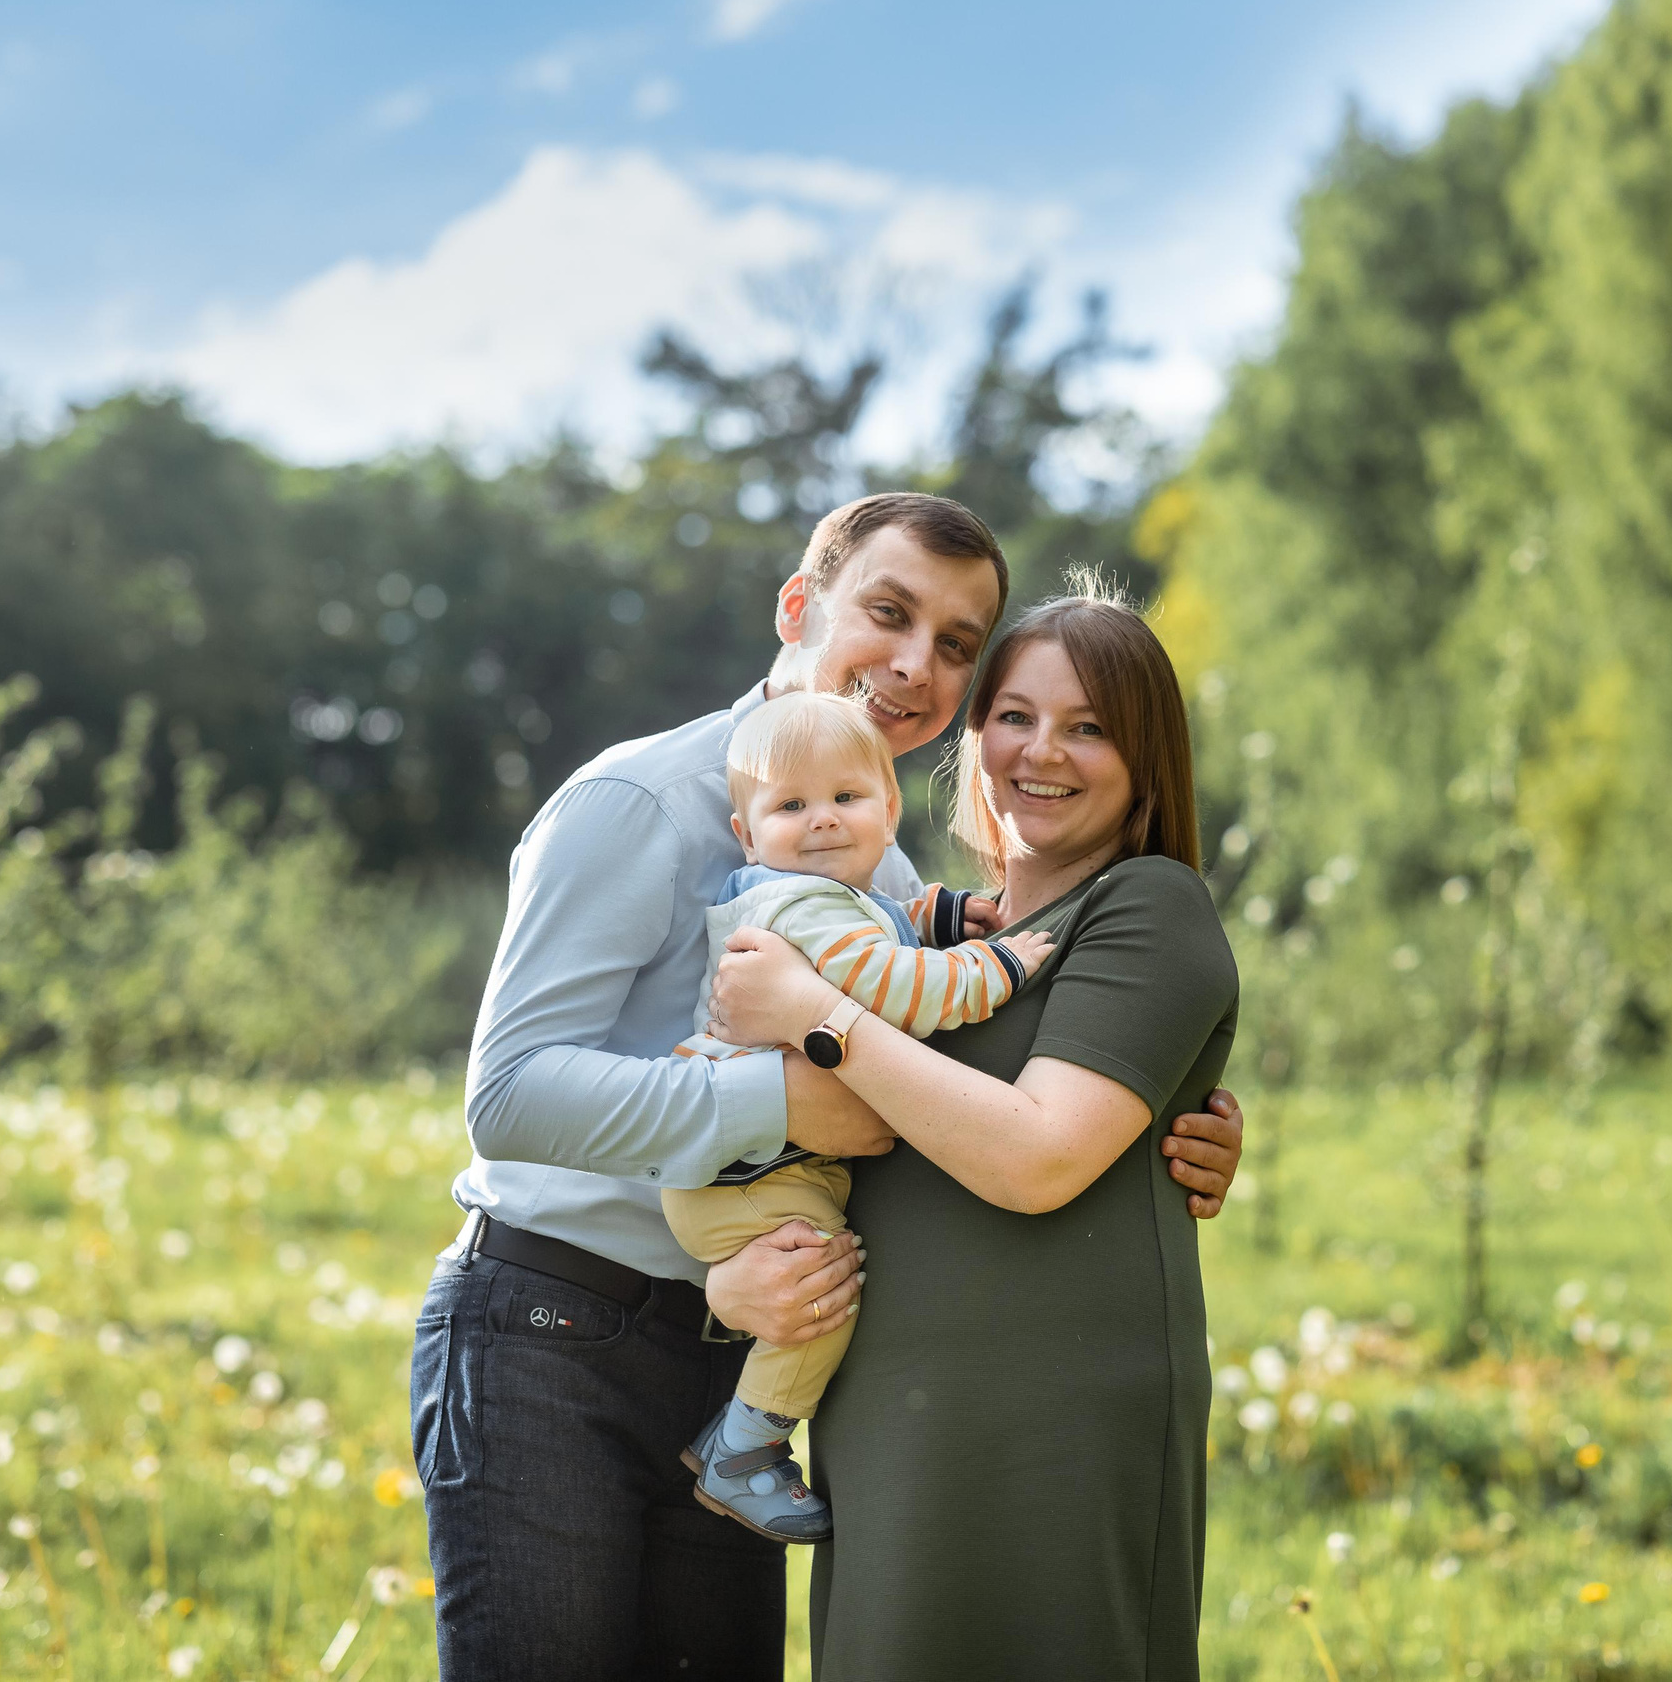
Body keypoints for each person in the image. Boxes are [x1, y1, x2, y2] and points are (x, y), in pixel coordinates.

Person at [411, 493, 1249, 1682]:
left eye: (958, 647)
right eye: (890, 614)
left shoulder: (880, 863)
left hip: (748, 1357)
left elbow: (974, 1083)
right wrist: (785, 1106)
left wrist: (1167, 1117)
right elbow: (508, 1098)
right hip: (559, 1341)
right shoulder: (637, 802)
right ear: (801, 607)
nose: (916, 665)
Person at [708, 586, 1239, 1681]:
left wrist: (816, 1016)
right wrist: (728, 1278)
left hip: (1051, 1424)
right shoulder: (929, 933)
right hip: (891, 1424)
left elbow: (1037, 1155)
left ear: (1147, 758)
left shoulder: (1145, 905)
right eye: (1015, 716)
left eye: (1090, 727)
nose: (1043, 751)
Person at [660, 690, 1056, 1544]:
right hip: (755, 1178)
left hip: (741, 1163)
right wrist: (998, 965)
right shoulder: (799, 907)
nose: (823, 822)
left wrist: (940, 916)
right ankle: (745, 1447)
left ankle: (747, 1443)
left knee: (815, 1287)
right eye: (790, 805)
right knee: (820, 1299)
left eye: (845, 799)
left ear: (888, 808)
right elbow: (895, 989)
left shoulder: (816, 900)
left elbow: (879, 932)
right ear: (747, 832)